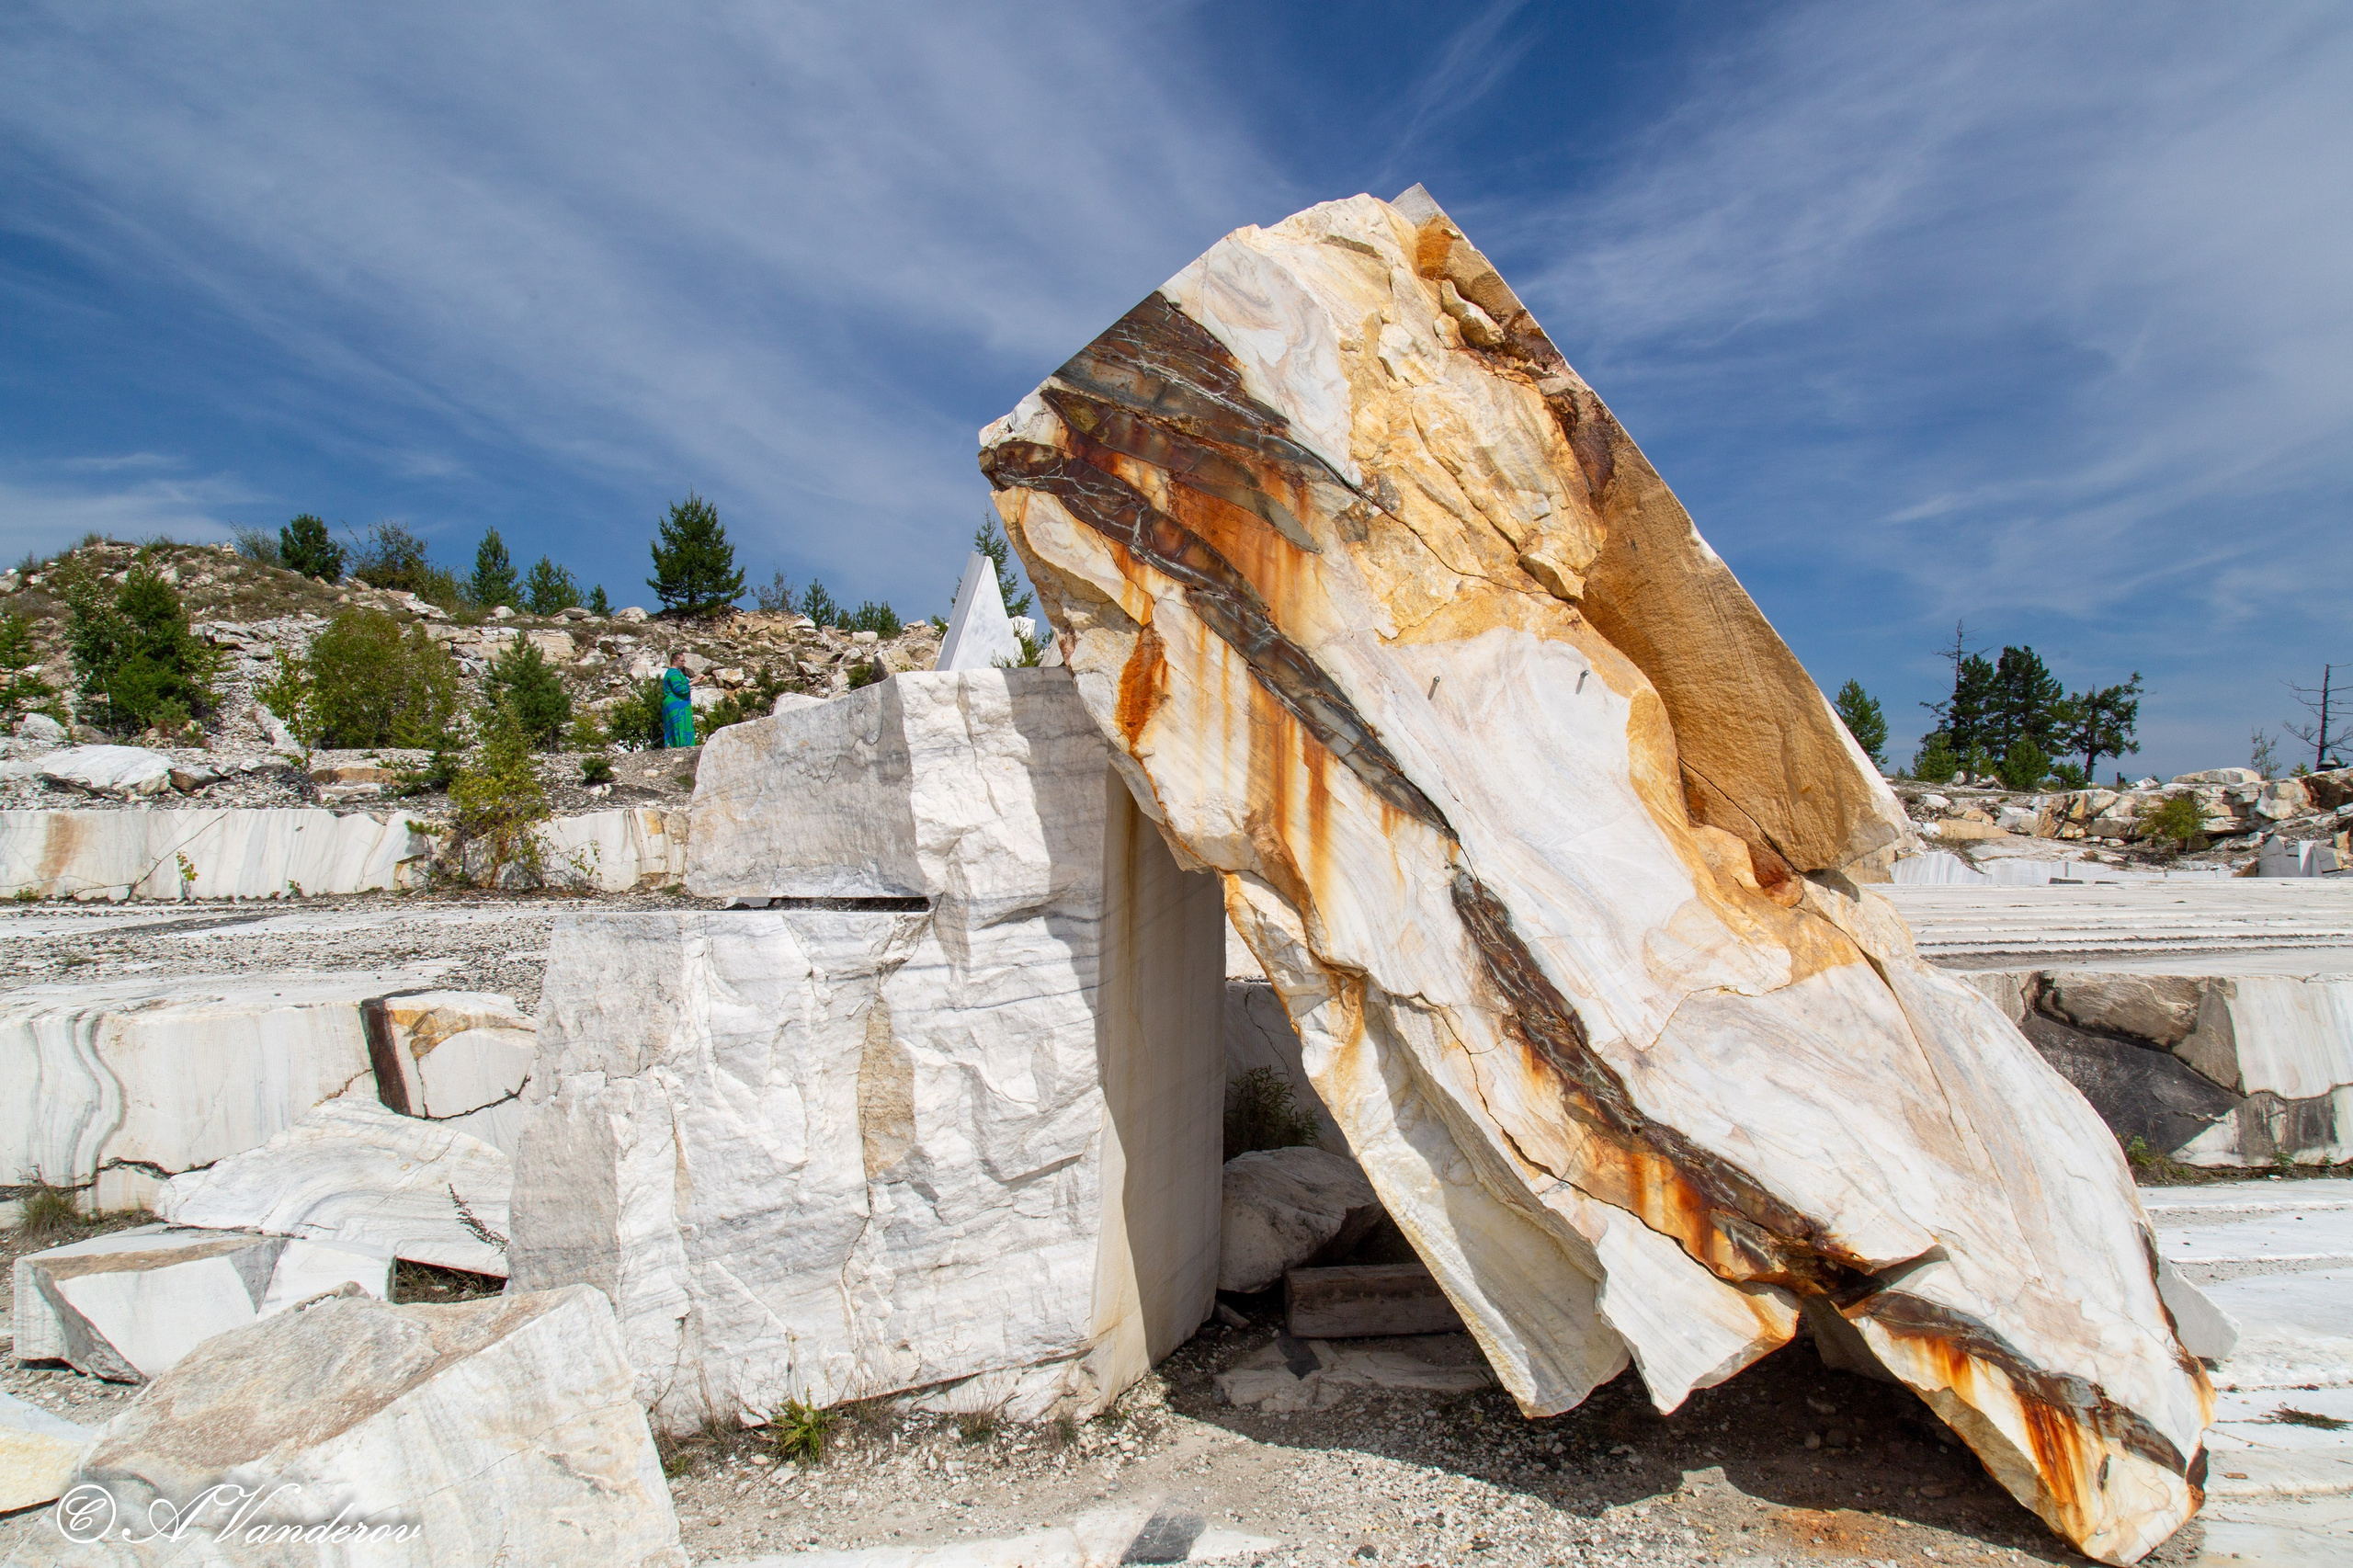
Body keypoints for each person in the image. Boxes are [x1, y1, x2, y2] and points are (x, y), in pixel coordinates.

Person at [660, 651, 697, 748]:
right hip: (676, 705)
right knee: (680, 727)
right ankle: (681, 747)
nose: (684, 663)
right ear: (674, 661)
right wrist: (693, 683)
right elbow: (678, 689)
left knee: (678, 727)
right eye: (682, 661)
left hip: (677, 704)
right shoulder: (673, 673)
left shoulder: (675, 673)